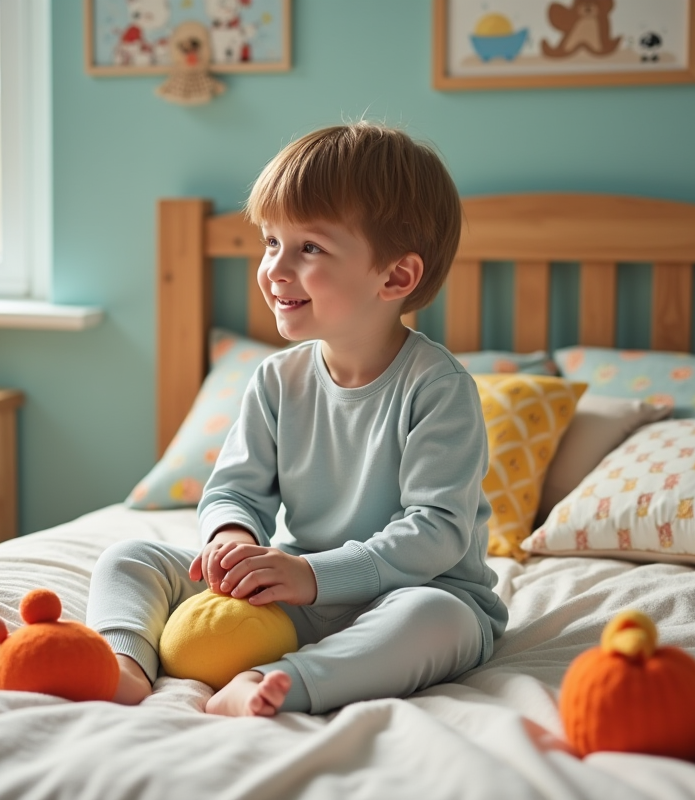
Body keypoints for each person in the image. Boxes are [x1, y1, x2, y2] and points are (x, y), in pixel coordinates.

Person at [86, 120, 507, 717]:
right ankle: (120, 661)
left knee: (437, 620)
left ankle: (283, 680)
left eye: (309, 247)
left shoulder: (438, 388)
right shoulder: (276, 379)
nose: (275, 268)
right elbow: (234, 490)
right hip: (297, 591)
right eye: (270, 242)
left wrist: (310, 574)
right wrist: (232, 541)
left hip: (414, 591)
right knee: (130, 556)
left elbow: (436, 533)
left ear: (396, 277)